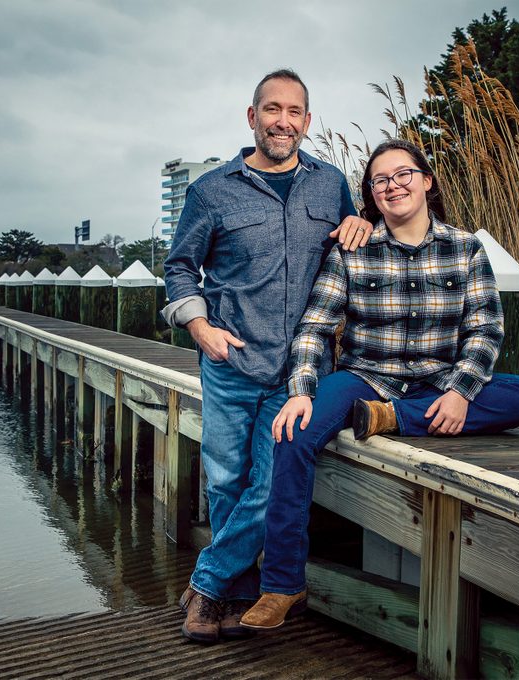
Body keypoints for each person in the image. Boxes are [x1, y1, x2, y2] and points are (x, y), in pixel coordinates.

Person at [239, 139, 519, 630]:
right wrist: (300, 390)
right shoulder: (352, 250)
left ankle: (395, 421)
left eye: (403, 174)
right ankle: (282, 585)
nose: (392, 186)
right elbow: (316, 327)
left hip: (437, 383)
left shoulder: (465, 248)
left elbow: (486, 330)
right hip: (364, 379)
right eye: (380, 181)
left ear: (427, 182)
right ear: (372, 195)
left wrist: (461, 390)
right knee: (292, 435)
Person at [162, 68, 373, 643]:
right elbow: (180, 267)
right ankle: (233, 594)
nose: (283, 121)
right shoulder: (212, 190)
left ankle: (205, 586)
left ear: (307, 121)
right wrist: (198, 325)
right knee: (227, 483)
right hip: (229, 362)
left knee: (272, 482)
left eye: (295, 111)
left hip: (301, 373)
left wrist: (360, 221)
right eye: (272, 109)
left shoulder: (330, 184)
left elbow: (354, 243)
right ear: (251, 117)